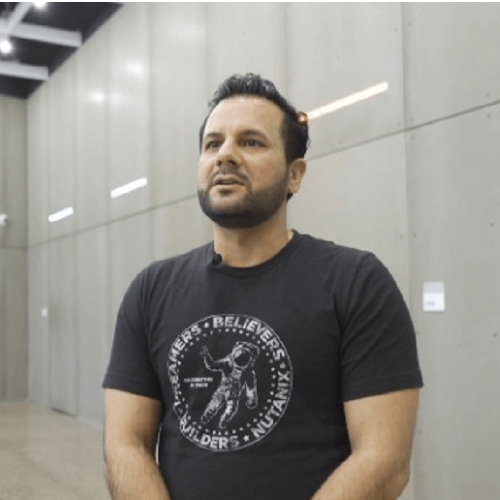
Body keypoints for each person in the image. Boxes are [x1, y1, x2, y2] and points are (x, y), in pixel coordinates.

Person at [102, 73, 424, 500]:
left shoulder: (356, 283)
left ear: (295, 175)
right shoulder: (151, 291)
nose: (225, 155)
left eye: (251, 142)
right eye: (212, 144)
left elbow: (384, 461)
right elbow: (125, 445)